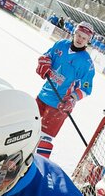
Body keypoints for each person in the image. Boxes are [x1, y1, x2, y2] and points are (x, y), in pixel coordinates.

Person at [34, 22, 96, 158]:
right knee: (28, 127)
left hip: (60, 106)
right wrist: (43, 62)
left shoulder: (87, 63)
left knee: (44, 140)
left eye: (84, 38)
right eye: (79, 35)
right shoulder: (61, 44)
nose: (80, 39)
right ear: (74, 33)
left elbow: (86, 88)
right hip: (43, 96)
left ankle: (39, 165)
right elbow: (47, 56)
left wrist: (72, 99)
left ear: (88, 41)